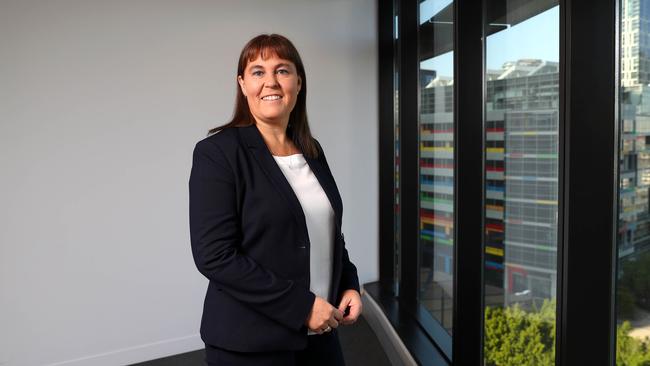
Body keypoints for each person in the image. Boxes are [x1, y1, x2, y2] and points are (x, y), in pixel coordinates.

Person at [189, 34, 362, 366]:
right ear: (242, 84)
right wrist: (302, 307)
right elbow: (215, 256)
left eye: (282, 70)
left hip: (321, 334)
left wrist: (348, 284)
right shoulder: (218, 153)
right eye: (257, 71)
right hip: (251, 343)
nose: (270, 81)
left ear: (298, 82)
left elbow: (326, 233)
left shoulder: (312, 150)